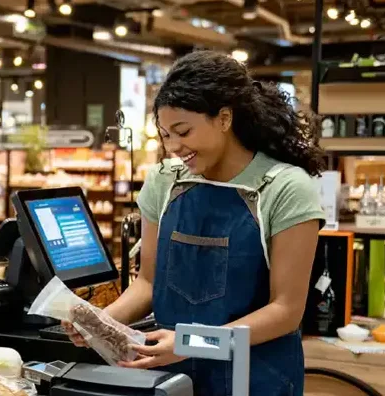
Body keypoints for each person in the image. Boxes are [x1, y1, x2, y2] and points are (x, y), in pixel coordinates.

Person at [64, 51, 325, 396]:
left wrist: (191, 343)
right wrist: (102, 322)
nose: (174, 147)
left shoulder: (285, 188)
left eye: (183, 131)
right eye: (165, 135)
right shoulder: (164, 182)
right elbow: (147, 283)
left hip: (255, 377)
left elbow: (286, 310)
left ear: (224, 118)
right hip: (171, 376)